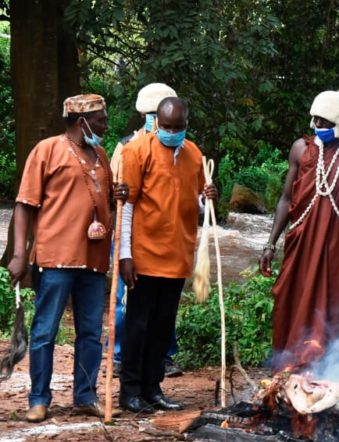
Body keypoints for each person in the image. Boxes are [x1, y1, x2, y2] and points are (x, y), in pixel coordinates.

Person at [8, 94, 127, 422]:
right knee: (46, 330)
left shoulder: (101, 154)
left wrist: (118, 195)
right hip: (56, 258)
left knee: (90, 331)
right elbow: (24, 205)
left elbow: (102, 201)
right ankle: (38, 399)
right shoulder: (47, 150)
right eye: (101, 119)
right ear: (82, 121)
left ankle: (85, 395)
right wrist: (19, 253)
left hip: (93, 262)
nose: (105, 125)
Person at [259, 91, 339, 372]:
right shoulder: (301, 148)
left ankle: (327, 373)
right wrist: (270, 244)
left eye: (324, 122)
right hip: (300, 244)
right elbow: (286, 199)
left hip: (337, 248)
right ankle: (287, 369)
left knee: (333, 306)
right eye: (314, 120)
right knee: (290, 298)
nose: (316, 127)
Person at [119, 97, 217, 413]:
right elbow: (128, 205)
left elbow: (199, 207)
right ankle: (130, 390)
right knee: (138, 325)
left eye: (179, 127)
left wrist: (209, 197)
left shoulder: (194, 154)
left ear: (187, 125)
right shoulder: (137, 150)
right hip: (144, 254)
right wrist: (124, 255)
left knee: (163, 326)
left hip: (178, 255)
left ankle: (153, 387)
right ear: (156, 123)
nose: (172, 132)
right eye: (167, 126)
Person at [107, 82, 183, 379]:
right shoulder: (127, 147)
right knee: (126, 300)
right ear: (146, 116)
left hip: (166, 239)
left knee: (164, 304)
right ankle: (118, 354)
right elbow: (118, 195)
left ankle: (164, 353)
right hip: (131, 236)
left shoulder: (179, 148)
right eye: (152, 114)